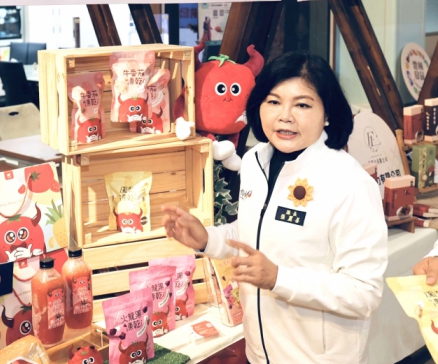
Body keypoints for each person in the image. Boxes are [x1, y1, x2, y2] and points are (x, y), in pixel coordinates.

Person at [163, 51, 388, 364]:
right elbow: (256, 230)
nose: (285, 116)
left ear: (327, 113)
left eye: (302, 105)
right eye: (273, 101)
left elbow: (364, 293)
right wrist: (207, 239)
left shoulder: (350, 183)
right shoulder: (255, 161)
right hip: (259, 352)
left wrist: (279, 278)